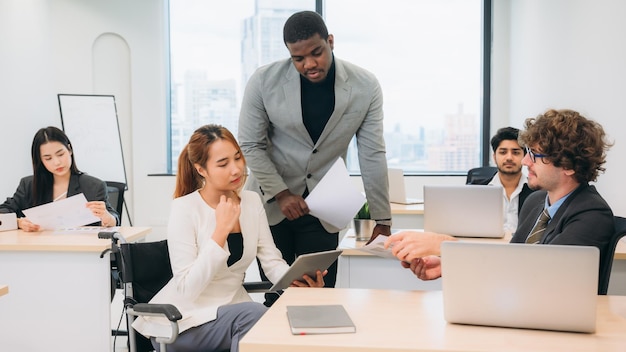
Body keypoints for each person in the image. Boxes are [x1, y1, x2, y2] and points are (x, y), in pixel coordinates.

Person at [238, 10, 392, 305]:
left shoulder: (365, 86)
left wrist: (381, 219)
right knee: (278, 298)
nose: (309, 64)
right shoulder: (263, 81)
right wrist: (282, 193)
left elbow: (372, 153)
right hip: (271, 206)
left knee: (320, 295)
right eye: (298, 58)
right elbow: (250, 144)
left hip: (323, 208)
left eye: (316, 53)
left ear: (330, 42)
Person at [132, 124, 325, 352]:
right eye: (223, 164)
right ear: (201, 169)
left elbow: (272, 262)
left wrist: (295, 281)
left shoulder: (252, 202)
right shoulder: (185, 208)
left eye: (237, 158)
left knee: (280, 324)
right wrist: (220, 232)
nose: (236, 170)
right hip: (183, 323)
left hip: (235, 314)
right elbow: (187, 289)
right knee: (255, 316)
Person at [385, 109, 614, 282]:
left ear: (569, 165)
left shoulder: (592, 214)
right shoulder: (536, 202)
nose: (525, 162)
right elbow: (511, 263)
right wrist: (450, 264)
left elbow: (540, 274)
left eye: (535, 155)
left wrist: (445, 244)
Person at [0, 126, 119, 230]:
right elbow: (4, 211)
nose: (57, 162)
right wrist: (18, 222)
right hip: (39, 250)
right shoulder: (28, 185)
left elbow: (113, 219)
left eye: (60, 154)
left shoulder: (93, 186)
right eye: (48, 158)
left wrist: (107, 217)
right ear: (40, 161)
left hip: (81, 251)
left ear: (69, 150)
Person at [469, 127, 534, 232]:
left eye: (516, 153)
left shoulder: (537, 191)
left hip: (521, 247)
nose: (509, 158)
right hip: (487, 246)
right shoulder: (476, 190)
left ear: (524, 157)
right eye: (503, 152)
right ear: (494, 157)